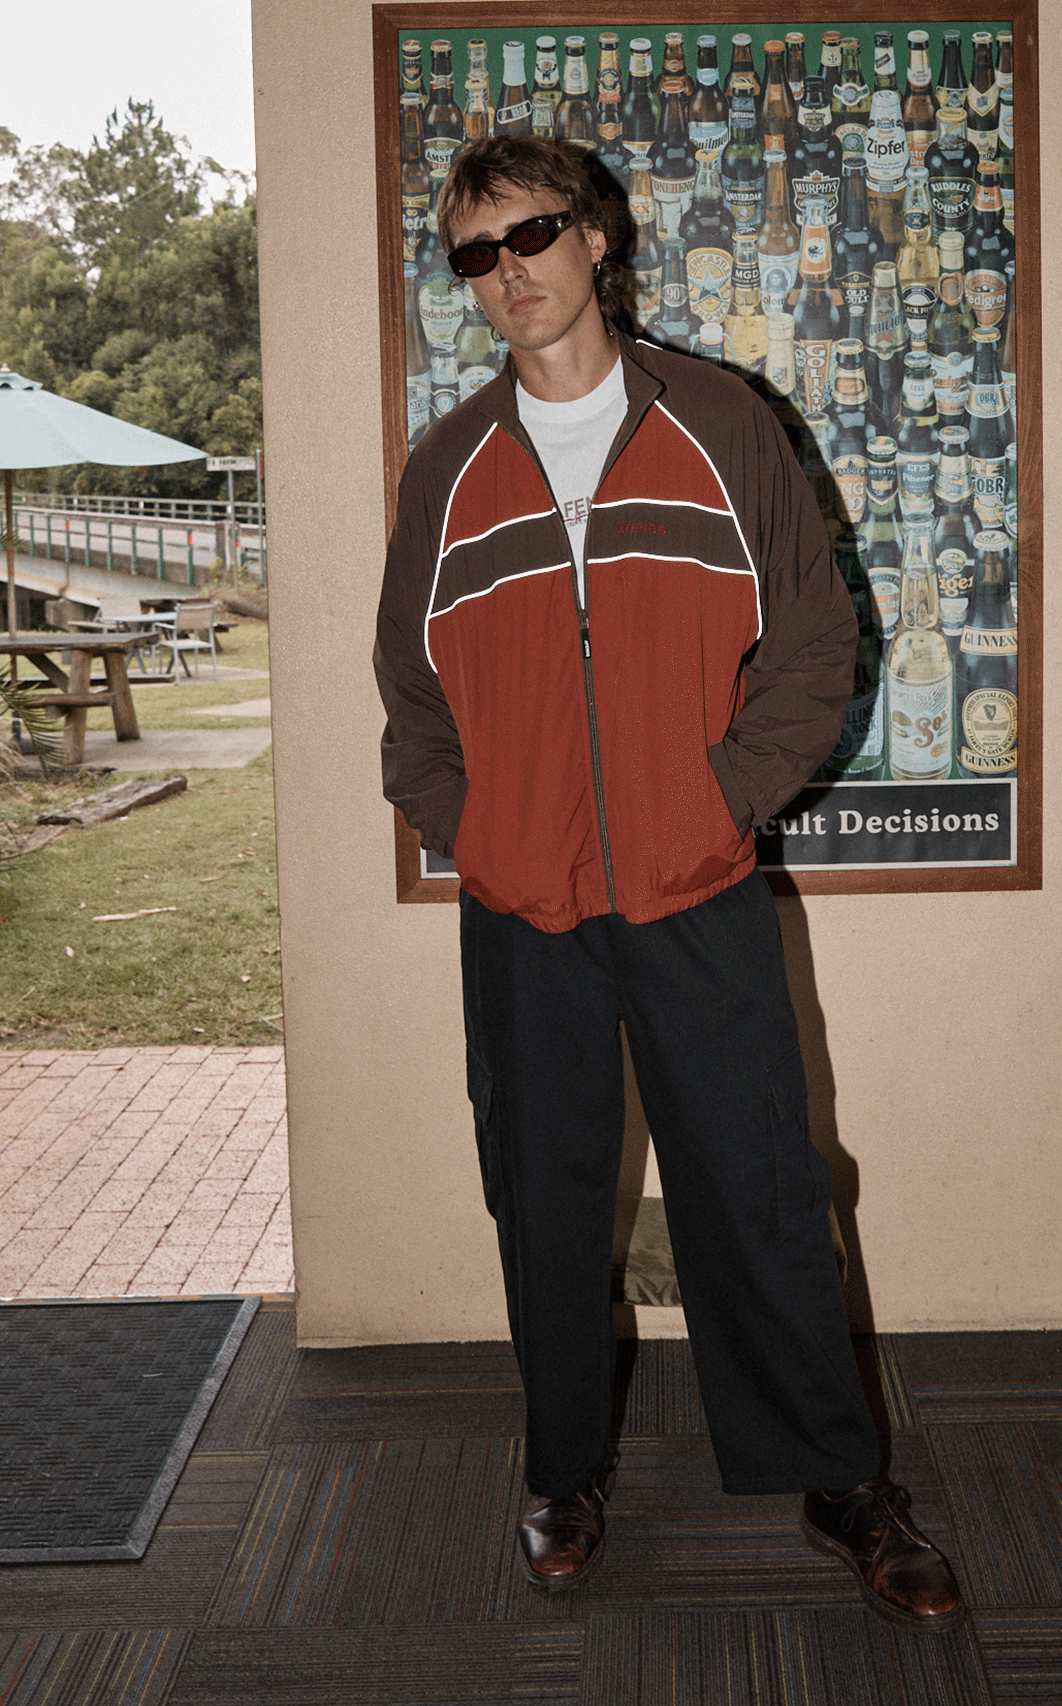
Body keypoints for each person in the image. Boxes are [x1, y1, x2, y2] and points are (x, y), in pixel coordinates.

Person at [374, 133, 962, 1630]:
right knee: (547, 1198)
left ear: (597, 239)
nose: (505, 272)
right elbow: (411, 697)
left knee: (760, 1185)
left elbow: (816, 644)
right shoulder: (446, 468)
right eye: (475, 253)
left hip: (695, 882)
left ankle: (839, 1479)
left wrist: (720, 801)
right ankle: (563, 1471)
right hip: (526, 906)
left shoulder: (719, 424)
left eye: (530, 235)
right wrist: (480, 831)